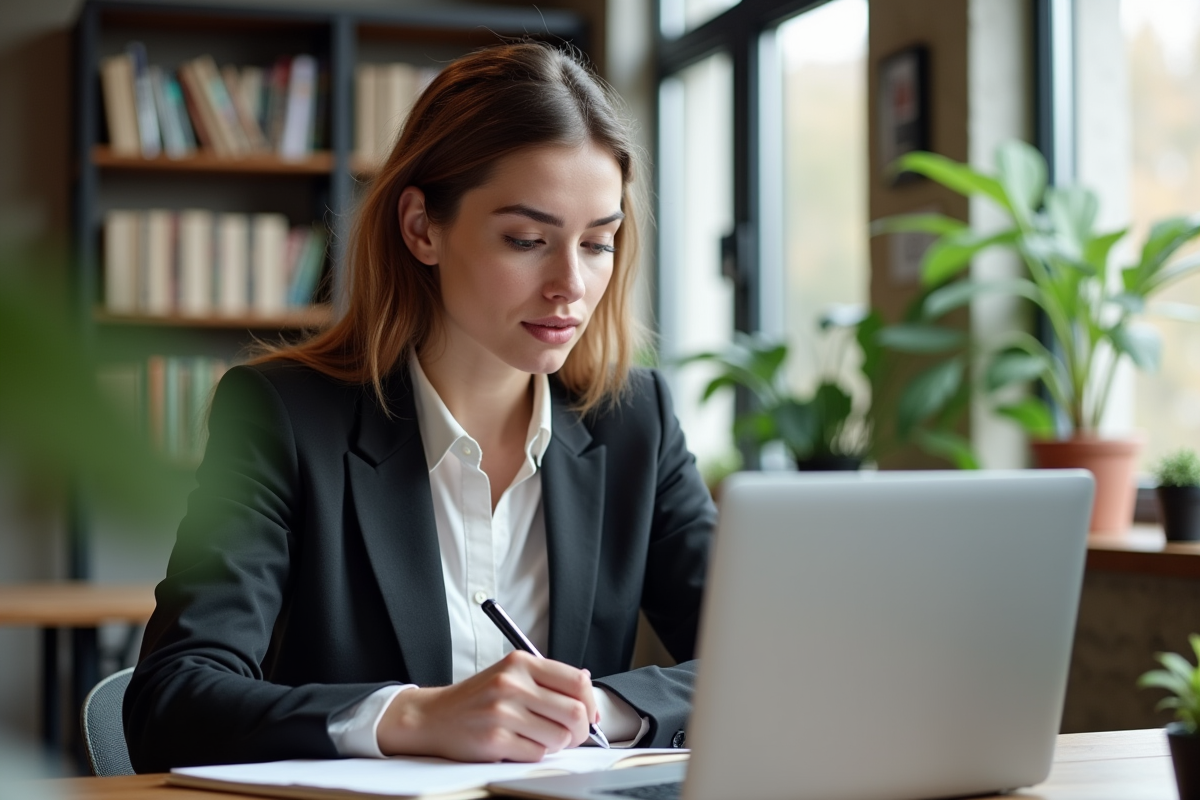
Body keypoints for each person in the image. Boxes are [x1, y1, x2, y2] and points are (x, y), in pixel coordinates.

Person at [123, 42, 716, 773]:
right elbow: (172, 702)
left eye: (598, 243)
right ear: (421, 228)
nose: (571, 285)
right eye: (527, 239)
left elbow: (766, 658)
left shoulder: (635, 421)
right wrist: (412, 716)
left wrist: (595, 715)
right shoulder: (282, 416)